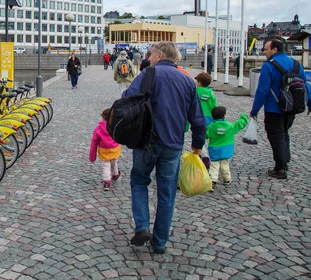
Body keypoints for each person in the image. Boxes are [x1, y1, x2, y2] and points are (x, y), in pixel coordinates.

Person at [123, 41, 206, 254]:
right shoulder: (187, 81)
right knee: (167, 193)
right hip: (173, 144)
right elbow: (197, 119)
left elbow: (126, 99)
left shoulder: (148, 75)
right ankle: (160, 242)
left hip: (146, 142)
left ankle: (142, 226)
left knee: (139, 181)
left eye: (151, 54)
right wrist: (197, 144)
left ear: (159, 55)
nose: (149, 58)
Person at [249, 39, 311, 179]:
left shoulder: (268, 66)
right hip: (292, 107)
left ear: (274, 49)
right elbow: (305, 86)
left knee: (276, 136)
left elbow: (262, 90)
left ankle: (280, 168)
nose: (265, 52)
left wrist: (255, 110)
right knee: (284, 133)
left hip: (274, 108)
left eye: (266, 49)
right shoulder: (296, 64)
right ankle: (285, 161)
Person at [206, 106, 248, 189]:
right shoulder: (230, 127)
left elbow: (205, 135)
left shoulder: (211, 127)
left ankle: (213, 180)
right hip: (226, 149)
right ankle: (227, 179)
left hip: (215, 150)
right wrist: (244, 117)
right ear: (225, 115)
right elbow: (239, 124)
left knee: (214, 164)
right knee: (224, 163)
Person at [89, 108, 122, 191]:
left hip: (104, 150)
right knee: (114, 163)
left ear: (103, 117)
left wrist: (92, 156)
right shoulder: (116, 127)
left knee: (106, 166)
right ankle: (115, 174)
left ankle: (107, 182)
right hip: (115, 149)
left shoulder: (98, 129)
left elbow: (94, 142)